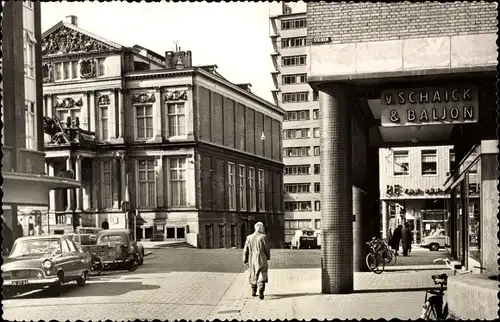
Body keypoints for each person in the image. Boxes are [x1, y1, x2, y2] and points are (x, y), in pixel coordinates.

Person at [243, 222, 271, 300]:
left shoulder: (249, 237)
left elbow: (245, 250)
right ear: (259, 228)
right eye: (262, 228)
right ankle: (261, 289)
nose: (263, 229)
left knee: (253, 273)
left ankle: (253, 290)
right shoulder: (263, 237)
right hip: (261, 257)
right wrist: (268, 256)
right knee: (262, 273)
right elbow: (267, 248)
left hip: (251, 258)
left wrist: (245, 259)